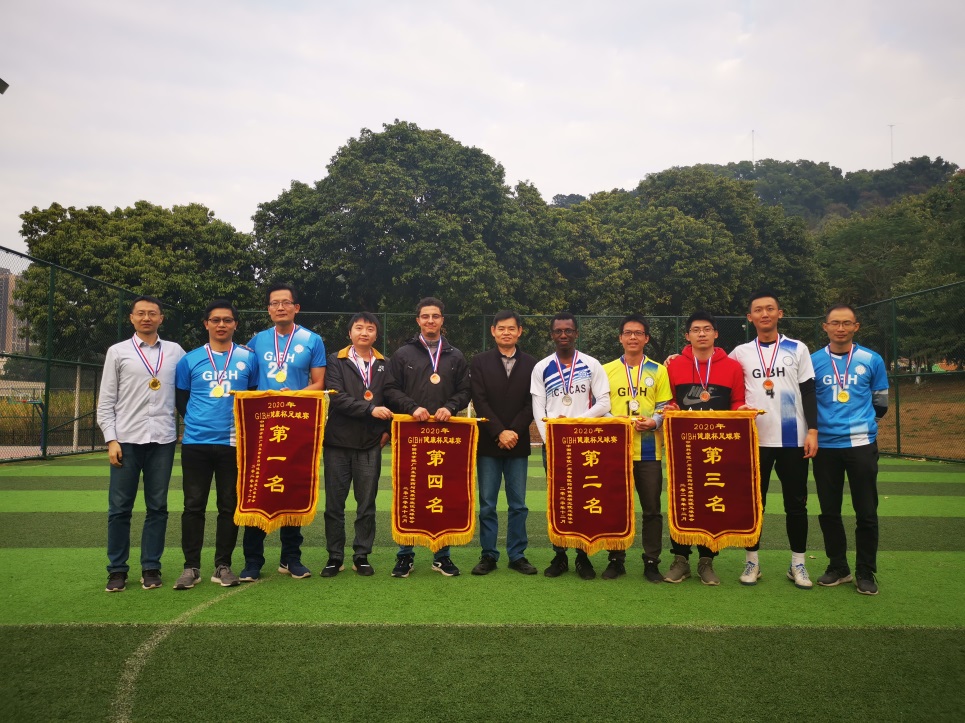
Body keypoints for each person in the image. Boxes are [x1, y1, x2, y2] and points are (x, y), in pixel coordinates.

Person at [730, 291, 818, 589]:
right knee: (755, 505)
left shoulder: (798, 348)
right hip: (754, 440)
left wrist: (813, 430)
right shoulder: (740, 352)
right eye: (758, 310)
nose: (764, 314)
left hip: (793, 438)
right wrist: (680, 355)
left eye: (770, 309)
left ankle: (798, 564)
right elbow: (717, 371)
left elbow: (808, 391)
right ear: (750, 317)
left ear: (780, 313)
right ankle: (752, 561)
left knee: (796, 505)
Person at [97, 296, 186, 592]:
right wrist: (111, 439)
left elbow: (194, 380)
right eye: (141, 313)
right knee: (119, 509)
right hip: (126, 440)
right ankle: (117, 570)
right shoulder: (118, 351)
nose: (146, 318)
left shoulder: (175, 351)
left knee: (157, 507)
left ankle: (151, 567)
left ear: (161, 318)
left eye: (152, 313)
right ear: (132, 318)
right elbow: (106, 400)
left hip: (162, 440)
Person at [240, 283, 326, 581]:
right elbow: (248, 382)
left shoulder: (312, 340)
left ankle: (291, 558)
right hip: (262, 429)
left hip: (296, 426)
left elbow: (319, 383)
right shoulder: (256, 341)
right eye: (274, 303)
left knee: (292, 488)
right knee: (258, 490)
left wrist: (295, 395)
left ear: (296, 308)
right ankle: (253, 561)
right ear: (268, 309)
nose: (280, 307)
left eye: (286, 302)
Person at [173, 300, 259, 590]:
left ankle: (223, 565)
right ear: (206, 324)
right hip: (196, 443)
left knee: (229, 506)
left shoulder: (248, 358)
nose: (221, 325)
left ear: (235, 324)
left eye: (227, 320)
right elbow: (182, 399)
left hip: (234, 444)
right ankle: (191, 567)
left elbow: (253, 397)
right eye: (215, 320)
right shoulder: (189, 359)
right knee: (193, 506)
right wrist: (199, 422)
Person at [384, 297, 471, 577]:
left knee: (442, 491)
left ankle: (441, 556)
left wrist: (450, 407)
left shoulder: (455, 355)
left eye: (435, 316)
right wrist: (412, 407)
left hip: (445, 437)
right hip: (411, 435)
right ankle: (404, 555)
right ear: (418, 320)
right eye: (425, 316)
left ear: (442, 320)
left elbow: (465, 390)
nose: (430, 320)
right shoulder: (403, 354)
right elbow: (390, 389)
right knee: (409, 491)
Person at [663, 310, 746, 586]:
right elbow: (668, 400)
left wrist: (741, 410)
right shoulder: (674, 365)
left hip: (717, 448)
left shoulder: (732, 367)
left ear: (716, 334)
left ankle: (707, 560)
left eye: (707, 329)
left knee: (713, 499)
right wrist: (671, 407)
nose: (701, 334)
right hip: (683, 447)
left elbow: (737, 402)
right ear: (687, 335)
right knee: (682, 499)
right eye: (696, 329)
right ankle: (680, 559)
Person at [811, 304, 889, 595]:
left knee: (866, 511)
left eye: (846, 323)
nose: (840, 328)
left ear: (856, 326)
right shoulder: (814, 361)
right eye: (835, 323)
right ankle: (838, 567)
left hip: (861, 445)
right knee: (829, 511)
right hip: (825, 446)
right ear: (825, 327)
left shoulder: (871, 359)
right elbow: (807, 402)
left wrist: (860, 425)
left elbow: (881, 403)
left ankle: (865, 571)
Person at [531, 312, 611, 580]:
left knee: (583, 497)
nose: (563, 335)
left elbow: (604, 403)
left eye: (568, 330)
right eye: (558, 331)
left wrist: (575, 426)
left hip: (585, 444)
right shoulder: (542, 367)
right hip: (554, 445)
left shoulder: (591, 364)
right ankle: (559, 555)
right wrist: (550, 440)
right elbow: (539, 408)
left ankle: (583, 555)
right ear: (552, 335)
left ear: (576, 333)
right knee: (558, 498)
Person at [601, 315, 673, 583]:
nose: (633, 337)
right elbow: (600, 406)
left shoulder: (658, 370)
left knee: (652, 509)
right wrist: (615, 421)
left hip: (649, 451)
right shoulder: (605, 370)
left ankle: (651, 561)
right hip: (616, 451)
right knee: (616, 507)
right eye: (628, 333)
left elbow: (664, 406)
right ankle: (615, 559)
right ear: (620, 337)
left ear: (646, 338)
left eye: (638, 333)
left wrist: (654, 421)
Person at [321, 312, 393, 578]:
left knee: (366, 504)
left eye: (370, 328)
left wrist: (388, 431)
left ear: (376, 334)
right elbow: (336, 396)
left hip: (370, 443)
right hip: (337, 442)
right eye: (359, 328)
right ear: (349, 332)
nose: (364, 332)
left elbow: (392, 398)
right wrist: (370, 409)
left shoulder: (386, 363)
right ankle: (334, 557)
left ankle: (361, 555)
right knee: (334, 504)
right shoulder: (335, 360)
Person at [469, 310, 539, 576]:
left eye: (511, 328)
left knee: (518, 504)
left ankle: (517, 555)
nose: (506, 333)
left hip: (517, 443)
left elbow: (532, 403)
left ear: (520, 331)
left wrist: (513, 432)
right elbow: (479, 400)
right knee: (487, 503)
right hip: (489, 442)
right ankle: (488, 554)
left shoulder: (532, 364)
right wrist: (499, 432)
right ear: (493, 331)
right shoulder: (479, 361)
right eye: (501, 328)